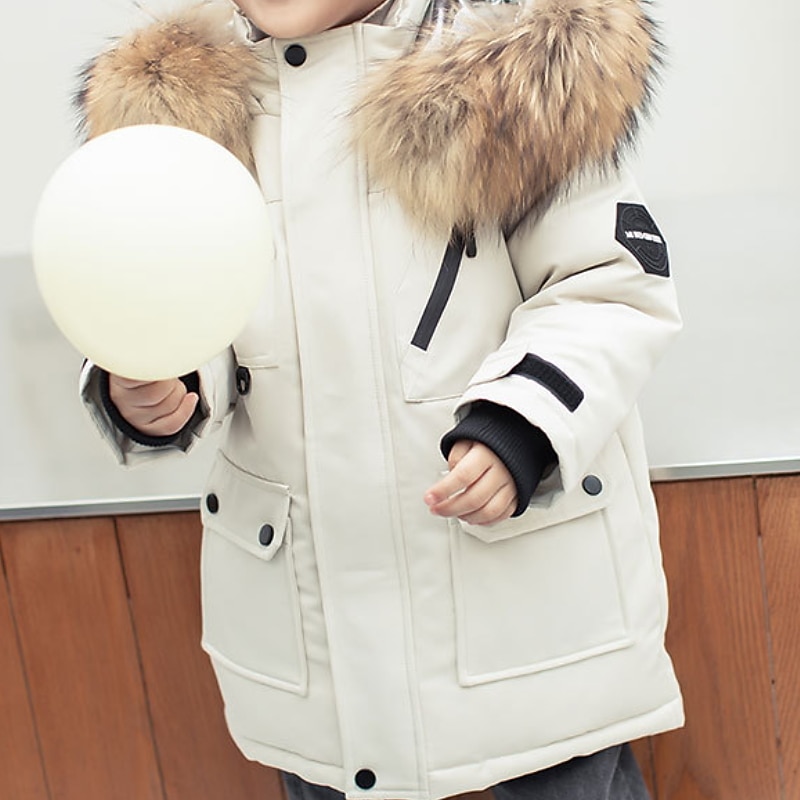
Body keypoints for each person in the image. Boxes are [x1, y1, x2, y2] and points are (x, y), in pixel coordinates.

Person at [78, 1, 684, 799]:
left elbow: (606, 288)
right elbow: (183, 305)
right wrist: (161, 380)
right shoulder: (179, 121)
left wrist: (521, 423)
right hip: (313, 630)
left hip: (522, 612)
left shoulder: (513, 71)